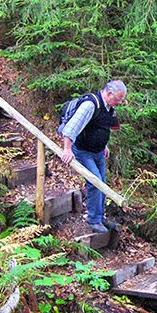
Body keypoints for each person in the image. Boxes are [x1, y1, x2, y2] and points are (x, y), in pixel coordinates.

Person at [60, 80, 127, 233]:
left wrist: (104, 145)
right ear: (109, 94)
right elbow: (71, 128)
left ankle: (100, 217)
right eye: (118, 99)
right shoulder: (90, 105)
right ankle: (93, 220)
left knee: (102, 183)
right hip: (83, 151)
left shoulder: (109, 107)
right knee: (96, 183)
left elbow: (100, 126)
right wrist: (67, 149)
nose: (120, 102)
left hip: (98, 152)